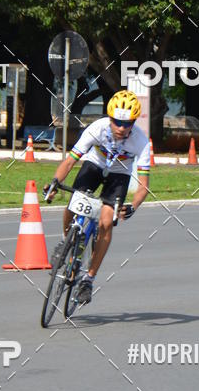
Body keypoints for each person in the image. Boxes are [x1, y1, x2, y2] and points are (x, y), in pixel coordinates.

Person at [44, 90, 150, 304]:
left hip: (119, 174)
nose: (121, 128)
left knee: (106, 222)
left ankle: (88, 279)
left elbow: (143, 186)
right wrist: (55, 182)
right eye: (117, 122)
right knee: (74, 202)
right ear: (109, 118)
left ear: (134, 122)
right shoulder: (97, 128)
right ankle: (66, 241)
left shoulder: (141, 141)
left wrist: (133, 206)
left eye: (127, 123)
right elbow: (70, 161)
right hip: (94, 165)